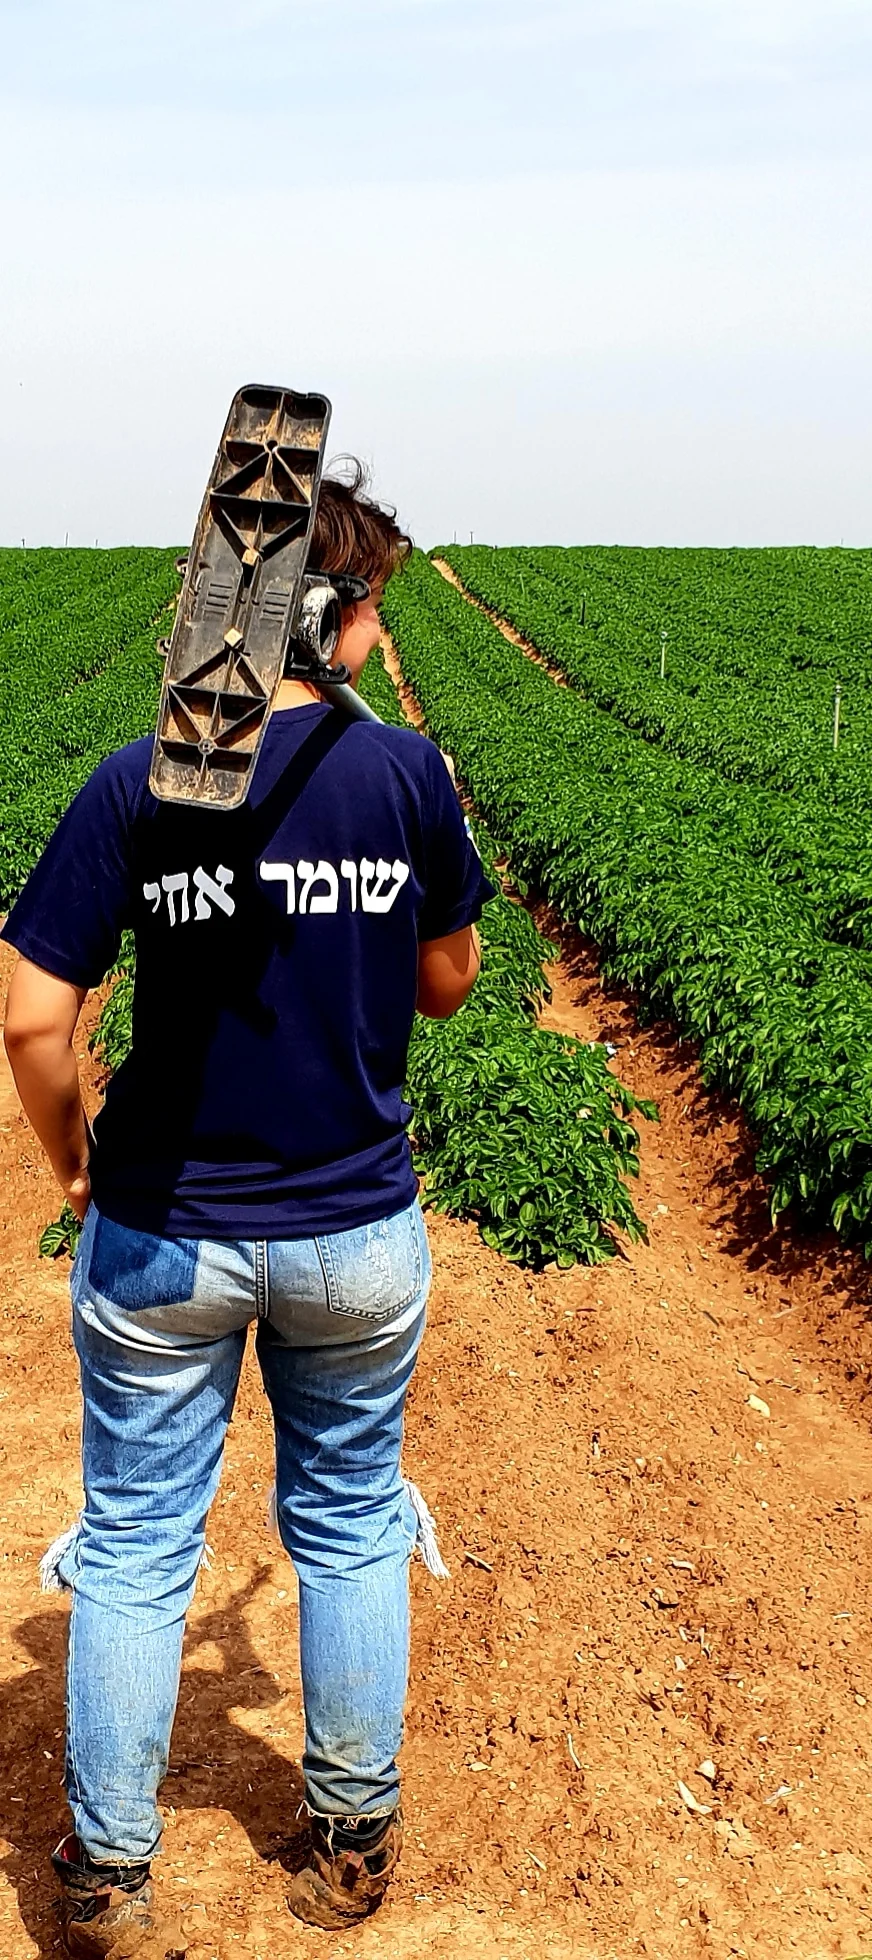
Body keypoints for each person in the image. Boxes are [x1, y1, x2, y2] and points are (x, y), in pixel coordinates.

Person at [1, 467, 494, 1959]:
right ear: (332, 620)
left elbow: (31, 1019)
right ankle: (350, 1844)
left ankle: (108, 1879)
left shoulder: (135, 781)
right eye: (370, 616)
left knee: (142, 1546)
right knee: (346, 1529)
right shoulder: (404, 775)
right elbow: (449, 981)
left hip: (163, 1229)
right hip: (353, 1228)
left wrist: (74, 1163)